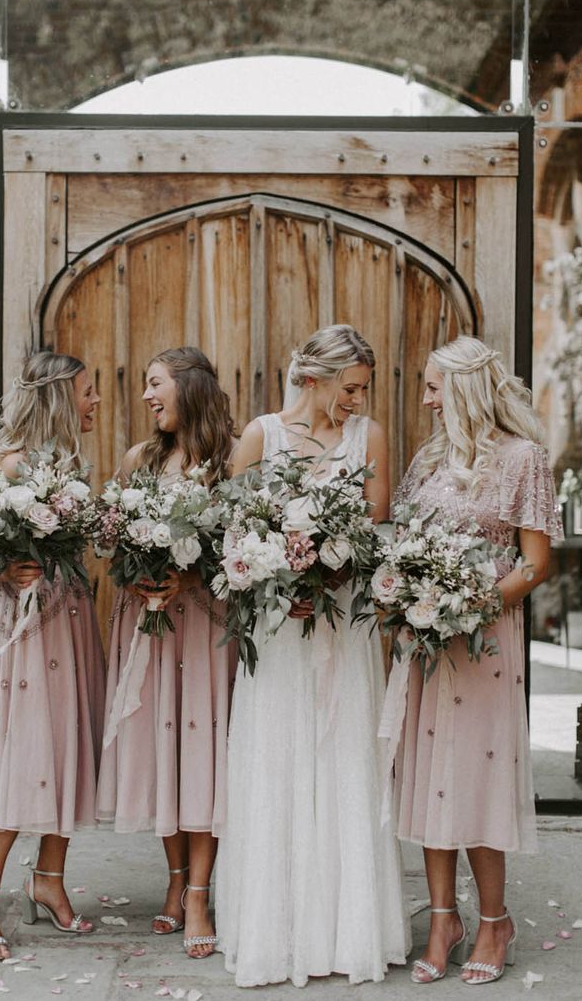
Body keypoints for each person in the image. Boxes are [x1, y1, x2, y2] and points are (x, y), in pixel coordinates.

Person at [216, 324, 411, 988]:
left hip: (343, 632)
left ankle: (349, 931)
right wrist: (274, 578)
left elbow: (376, 527)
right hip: (278, 633)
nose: (356, 400)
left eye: (363, 389)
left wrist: (328, 571)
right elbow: (232, 531)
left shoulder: (369, 437)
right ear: (314, 378)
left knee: (343, 762)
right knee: (280, 761)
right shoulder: (260, 436)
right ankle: (278, 932)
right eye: (349, 388)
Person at [380, 335, 562, 986]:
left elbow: (536, 563)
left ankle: (493, 922)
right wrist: (407, 594)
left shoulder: (523, 459)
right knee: (432, 777)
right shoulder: (430, 461)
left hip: (483, 643)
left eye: (434, 387)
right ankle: (441, 920)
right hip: (428, 646)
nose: (426, 400)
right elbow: (401, 543)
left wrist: (472, 603)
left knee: (477, 778)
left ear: (463, 390)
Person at [0, 351, 106, 961]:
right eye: (88, 392)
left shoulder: (72, 467)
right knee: (25, 750)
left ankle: (48, 877)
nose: (96, 401)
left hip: (68, 618)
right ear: (58, 398)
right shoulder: (13, 465)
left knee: (67, 742)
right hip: (26, 625)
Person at [96, 346, 237, 960]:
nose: (148, 396)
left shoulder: (231, 463)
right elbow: (113, 546)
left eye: (156, 384)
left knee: (203, 752)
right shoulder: (139, 460)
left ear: (188, 385)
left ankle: (200, 893)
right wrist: (135, 573)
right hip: (149, 625)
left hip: (205, 624)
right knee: (166, 752)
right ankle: (175, 881)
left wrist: (193, 573)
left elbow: (245, 548)